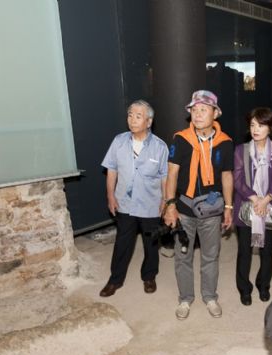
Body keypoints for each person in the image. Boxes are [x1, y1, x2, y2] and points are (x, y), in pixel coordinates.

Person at [163, 90, 234, 320]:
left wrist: (229, 207)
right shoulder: (181, 139)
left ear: (215, 113)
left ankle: (210, 297)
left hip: (211, 210)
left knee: (210, 256)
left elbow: (227, 176)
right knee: (183, 256)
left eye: (204, 109)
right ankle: (185, 299)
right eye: (194, 110)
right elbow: (172, 174)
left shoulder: (225, 143)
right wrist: (170, 206)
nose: (198, 114)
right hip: (184, 210)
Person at [99, 100, 168, 297]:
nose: (132, 120)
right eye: (130, 115)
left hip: (150, 204)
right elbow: (111, 170)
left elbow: (165, 176)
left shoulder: (160, 147)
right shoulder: (118, 141)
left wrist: (165, 201)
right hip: (125, 203)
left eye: (138, 116)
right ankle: (115, 280)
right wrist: (110, 196)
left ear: (149, 121)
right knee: (122, 243)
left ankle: (149, 276)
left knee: (151, 244)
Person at [232, 107, 272, 306]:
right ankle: (244, 288)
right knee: (244, 251)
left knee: (267, 251)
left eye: (261, 125)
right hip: (246, 206)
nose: (255, 129)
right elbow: (238, 179)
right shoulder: (241, 150)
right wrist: (255, 199)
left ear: (270, 128)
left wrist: (265, 200)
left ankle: (264, 285)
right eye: (253, 125)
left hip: (269, 206)